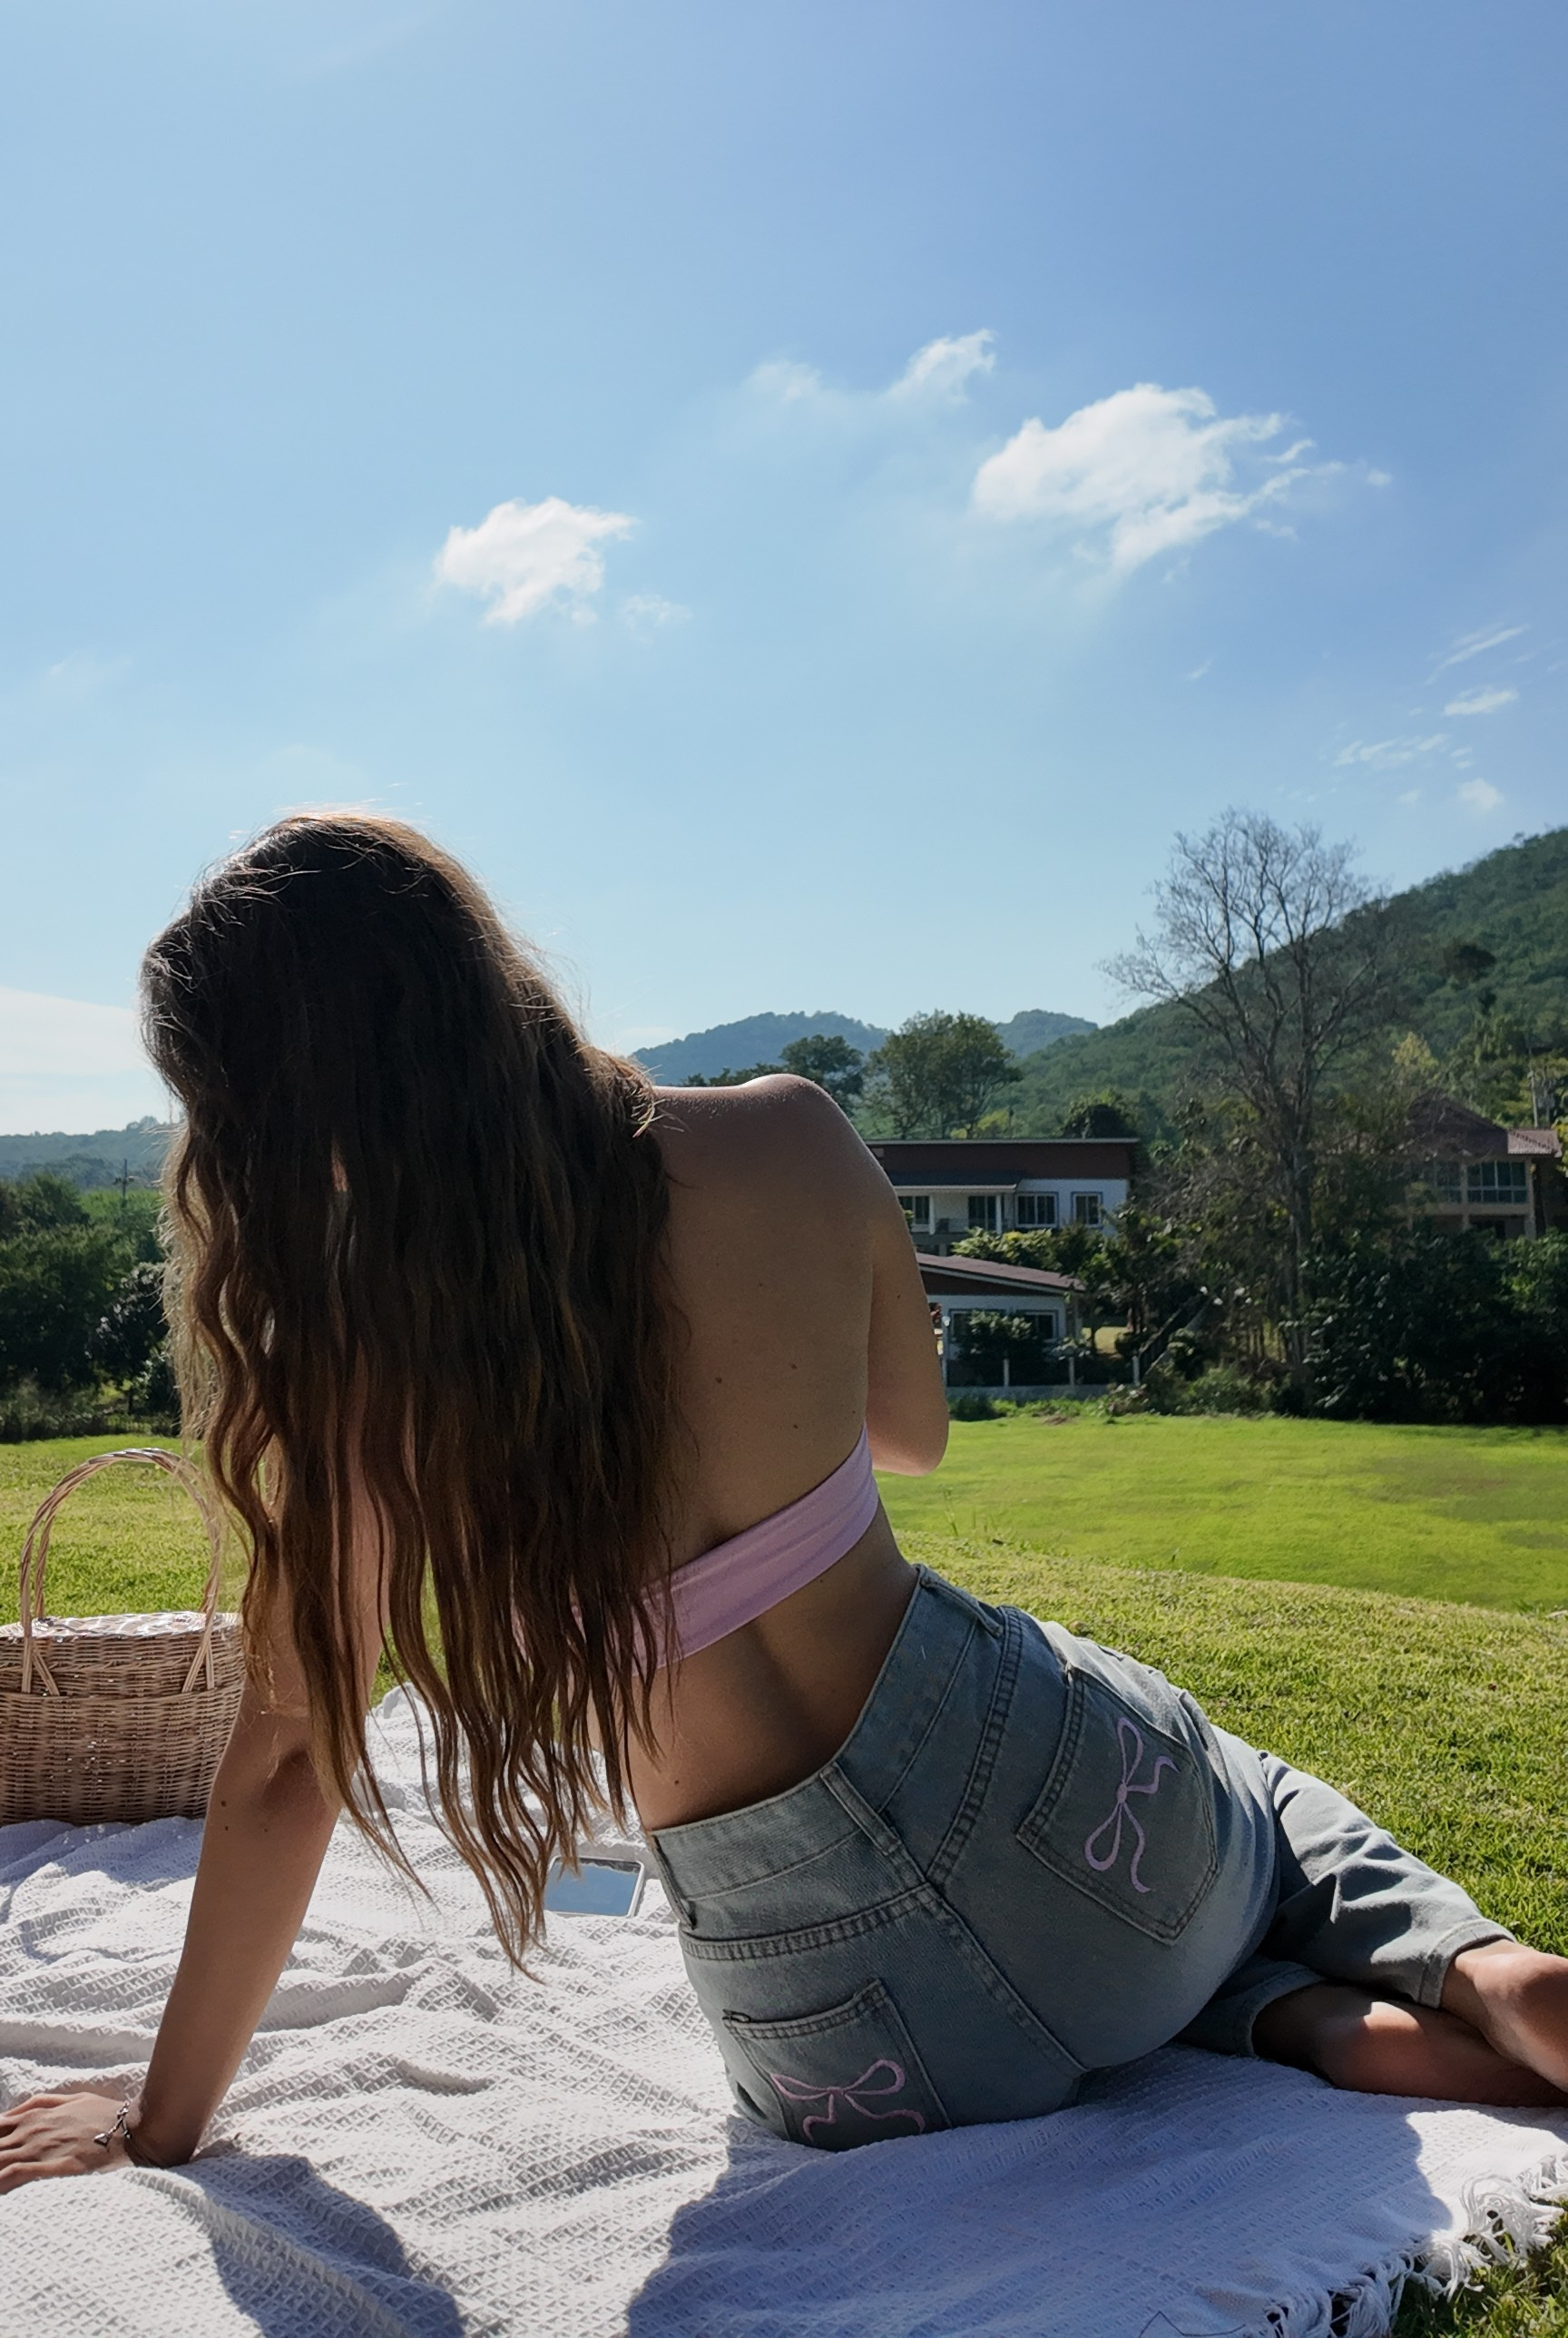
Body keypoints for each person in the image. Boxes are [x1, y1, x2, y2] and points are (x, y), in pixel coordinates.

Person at [3, 812, 1567, 2189]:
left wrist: (157, 2119)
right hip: (1099, 1823)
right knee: (1259, 1818)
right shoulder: (788, 1131)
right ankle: (1477, 1972)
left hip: (852, 2031)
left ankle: (1299, 2024)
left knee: (1085, 1987)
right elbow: (913, 1435)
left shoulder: (358, 1360)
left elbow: (287, 1767)